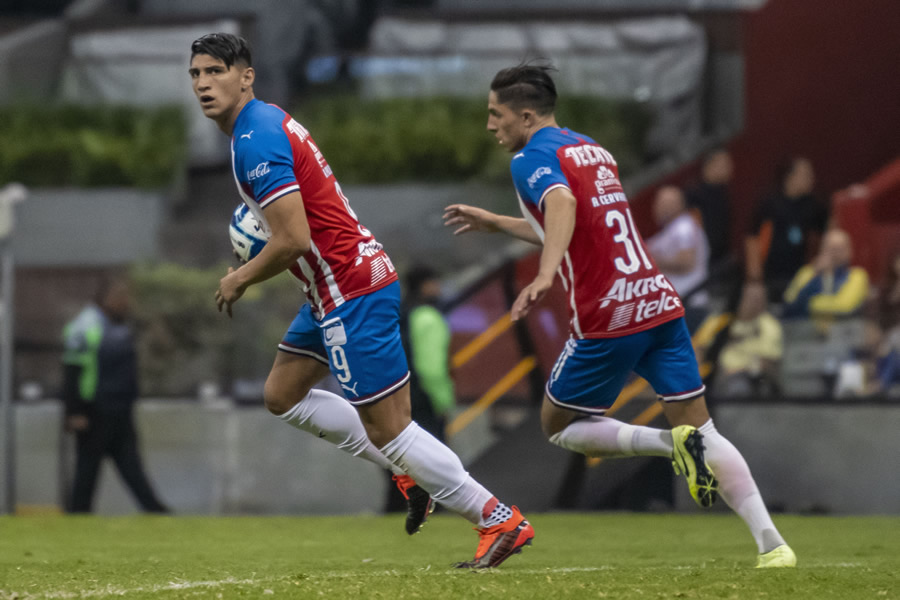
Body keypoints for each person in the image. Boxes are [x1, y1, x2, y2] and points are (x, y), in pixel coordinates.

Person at [189, 33, 532, 568]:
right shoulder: (261, 125)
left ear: (246, 76)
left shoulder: (254, 139)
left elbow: (292, 240)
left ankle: (495, 518)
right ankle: (403, 470)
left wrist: (240, 278)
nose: (204, 84)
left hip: (347, 286)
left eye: (216, 71)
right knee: (283, 393)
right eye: (196, 74)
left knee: (393, 428)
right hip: (334, 285)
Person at [443, 63, 795, 568]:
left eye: (495, 114)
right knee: (704, 431)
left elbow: (560, 205)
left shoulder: (530, 159)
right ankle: (773, 546)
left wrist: (544, 275)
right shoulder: (593, 150)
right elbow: (580, 223)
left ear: (524, 116)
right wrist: (499, 223)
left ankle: (667, 444)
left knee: (559, 424)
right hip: (657, 299)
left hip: (610, 313)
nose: (490, 125)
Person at [61, 276, 169, 514]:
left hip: (120, 410)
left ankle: (156, 512)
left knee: (132, 467)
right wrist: (75, 411)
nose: (127, 302)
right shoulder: (85, 326)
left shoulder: (120, 325)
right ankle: (77, 515)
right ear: (107, 298)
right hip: (95, 411)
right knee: (87, 471)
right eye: (122, 297)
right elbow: (72, 371)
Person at [745, 157, 828, 302]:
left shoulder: (814, 207)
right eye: (806, 175)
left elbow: (824, 237)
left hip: (800, 277)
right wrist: (755, 275)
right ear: (790, 177)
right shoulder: (769, 204)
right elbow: (752, 239)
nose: (811, 179)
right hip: (771, 277)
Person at [402, 265, 456, 441]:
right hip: (424, 403)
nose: (438, 287)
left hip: (397, 401)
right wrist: (442, 403)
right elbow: (431, 368)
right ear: (424, 286)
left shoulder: (399, 314)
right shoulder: (427, 316)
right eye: (435, 283)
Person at [645, 185, 710, 331]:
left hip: (688, 304)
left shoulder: (683, 227)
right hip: (676, 306)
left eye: (665, 203)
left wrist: (650, 262)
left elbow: (686, 261)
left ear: (679, 205)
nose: (659, 207)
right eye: (658, 202)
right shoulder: (670, 231)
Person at [782, 228, 869, 322]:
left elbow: (844, 306)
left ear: (850, 251)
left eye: (840, 249)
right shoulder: (807, 272)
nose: (835, 254)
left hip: (842, 331)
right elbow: (789, 302)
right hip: (805, 330)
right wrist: (815, 276)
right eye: (831, 248)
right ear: (822, 250)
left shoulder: (857, 275)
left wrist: (808, 303)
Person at [714, 282, 783, 397]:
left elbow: (766, 361)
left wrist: (736, 370)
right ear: (739, 298)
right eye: (752, 298)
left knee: (739, 386)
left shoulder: (769, 325)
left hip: (748, 376)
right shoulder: (721, 321)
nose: (757, 303)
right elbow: (700, 349)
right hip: (717, 374)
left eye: (760, 298)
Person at [685, 149, 734, 269]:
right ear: (709, 166)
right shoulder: (694, 196)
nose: (730, 168)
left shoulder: (722, 193)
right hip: (706, 265)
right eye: (724, 164)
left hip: (723, 258)